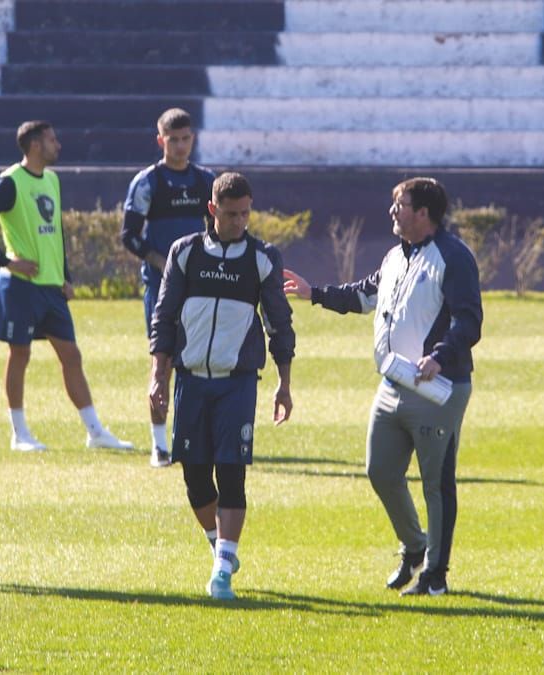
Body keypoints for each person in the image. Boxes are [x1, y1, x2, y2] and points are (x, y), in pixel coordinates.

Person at [283, 177, 481, 596]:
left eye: (400, 204)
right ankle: (414, 547)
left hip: (437, 387)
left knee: (436, 482)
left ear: (423, 213)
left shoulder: (453, 256)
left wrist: (439, 355)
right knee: (380, 471)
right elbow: (363, 295)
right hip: (393, 384)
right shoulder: (396, 256)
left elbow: (469, 320)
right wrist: (313, 293)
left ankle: (435, 576)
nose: (393, 211)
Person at [149, 172, 295, 600]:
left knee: (232, 474)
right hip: (192, 381)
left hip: (238, 384)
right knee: (196, 479)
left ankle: (221, 574)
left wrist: (284, 384)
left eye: (246, 213)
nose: (239, 221)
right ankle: (221, 549)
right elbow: (164, 317)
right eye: (231, 214)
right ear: (212, 210)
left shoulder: (262, 258)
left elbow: (279, 324)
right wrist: (159, 375)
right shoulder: (186, 253)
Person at [0, 120, 132, 452]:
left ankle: (95, 431)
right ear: (36, 145)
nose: (59, 144)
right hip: (20, 287)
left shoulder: (52, 180)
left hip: (51, 287)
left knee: (71, 355)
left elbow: (55, 233)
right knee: (20, 354)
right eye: (53, 139)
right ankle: (19, 433)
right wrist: (8, 262)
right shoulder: (10, 182)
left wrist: (65, 276)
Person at [121, 108, 216, 468]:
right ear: (160, 141)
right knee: (162, 363)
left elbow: (218, 228)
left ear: (193, 138)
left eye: (186, 138)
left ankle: (192, 438)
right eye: (172, 139)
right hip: (161, 289)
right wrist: (162, 262)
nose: (180, 145)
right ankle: (159, 445)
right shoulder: (148, 183)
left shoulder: (206, 180)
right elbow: (128, 235)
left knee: (200, 362)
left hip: (202, 288)